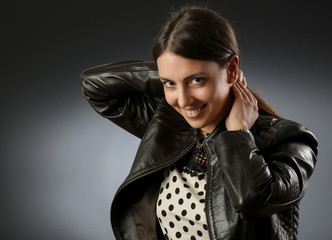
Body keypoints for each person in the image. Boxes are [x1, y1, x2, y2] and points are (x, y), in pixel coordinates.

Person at [80, 6, 318, 240]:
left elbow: (253, 201)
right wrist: (171, 74)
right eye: (170, 84)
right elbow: (94, 87)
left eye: (197, 80)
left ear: (232, 69)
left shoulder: (290, 140)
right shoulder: (169, 123)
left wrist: (238, 135)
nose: (183, 101)